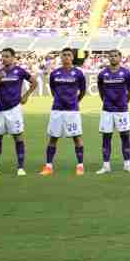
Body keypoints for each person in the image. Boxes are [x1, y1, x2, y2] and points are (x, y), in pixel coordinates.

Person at [0, 47, 37, 177]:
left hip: (14, 109)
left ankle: (20, 167)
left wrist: (26, 95)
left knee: (18, 136)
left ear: (13, 58)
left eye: (7, 56)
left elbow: (34, 82)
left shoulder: (19, 71)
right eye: (3, 56)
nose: (4, 58)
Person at [40, 48, 87, 176]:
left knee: (77, 137)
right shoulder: (55, 73)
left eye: (68, 55)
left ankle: (80, 166)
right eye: (64, 55)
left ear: (72, 57)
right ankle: (49, 166)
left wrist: (75, 101)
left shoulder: (78, 73)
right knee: (53, 138)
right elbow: (53, 89)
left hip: (72, 110)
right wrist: (59, 99)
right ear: (60, 57)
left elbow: (82, 90)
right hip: (57, 109)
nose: (66, 57)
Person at [97, 50, 130, 174]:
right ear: (108, 58)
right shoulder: (103, 74)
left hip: (122, 110)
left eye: (115, 56)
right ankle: (106, 166)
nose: (113, 58)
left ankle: (127, 165)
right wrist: (106, 101)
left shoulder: (126, 73)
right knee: (106, 137)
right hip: (107, 110)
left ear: (120, 57)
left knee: (125, 136)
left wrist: (125, 101)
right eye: (111, 56)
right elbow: (101, 90)